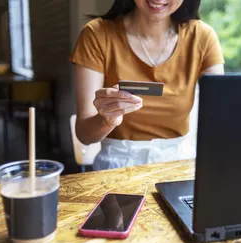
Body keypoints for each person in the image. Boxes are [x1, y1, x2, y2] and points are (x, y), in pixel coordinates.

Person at [70, 0, 225, 171]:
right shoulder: (97, 34)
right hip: (117, 165)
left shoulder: (202, 37)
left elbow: (220, 120)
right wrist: (106, 120)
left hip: (180, 166)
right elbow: (84, 135)